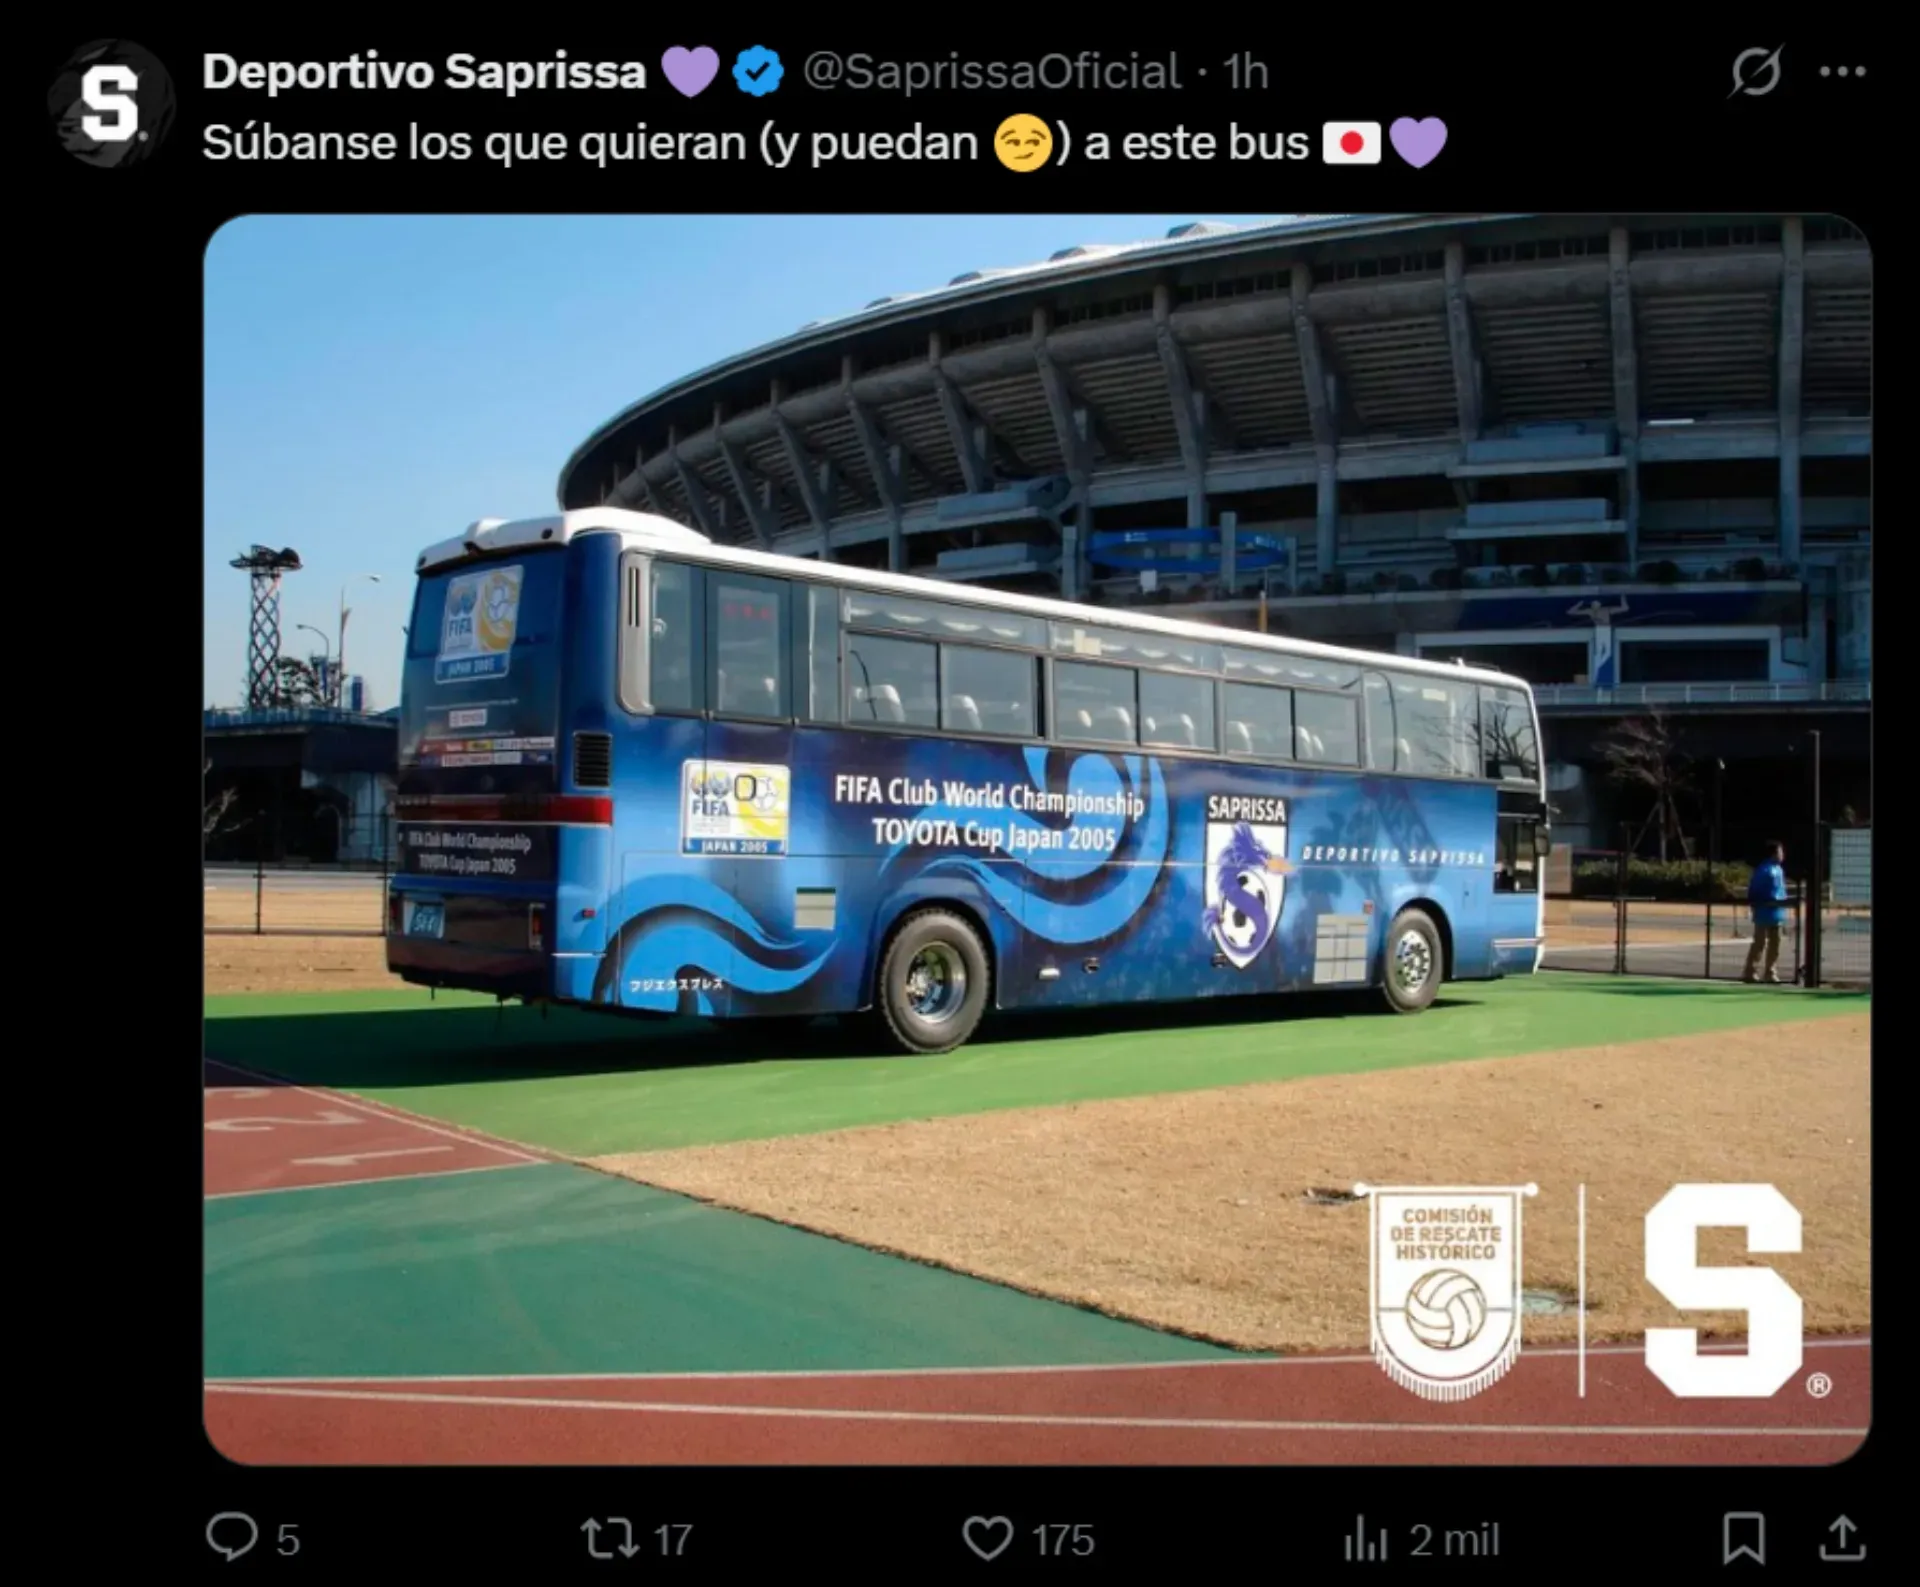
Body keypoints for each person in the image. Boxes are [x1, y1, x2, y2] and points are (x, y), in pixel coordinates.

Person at [1743, 841, 1788, 983]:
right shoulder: (1764, 870)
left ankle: (1770, 972)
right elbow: (1755, 890)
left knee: (1775, 943)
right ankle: (1750, 971)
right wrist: (1755, 905)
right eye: (1780, 852)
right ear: (1774, 853)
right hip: (1764, 912)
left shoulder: (1779, 870)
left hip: (1777, 912)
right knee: (1760, 943)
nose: (1782, 855)